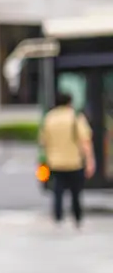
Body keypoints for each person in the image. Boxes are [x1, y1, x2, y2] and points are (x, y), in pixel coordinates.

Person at [40, 92, 96, 229]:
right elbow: (85, 141)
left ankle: (58, 218)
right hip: (74, 162)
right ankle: (77, 217)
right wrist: (90, 161)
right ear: (69, 102)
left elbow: (43, 142)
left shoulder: (49, 118)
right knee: (76, 192)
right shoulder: (76, 117)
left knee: (57, 191)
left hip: (55, 162)